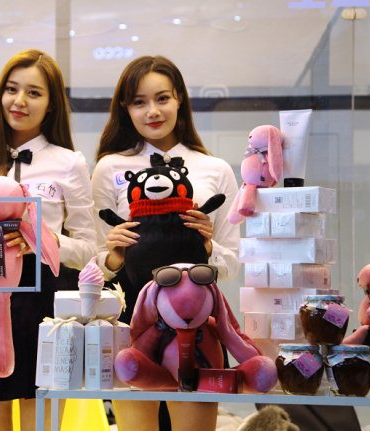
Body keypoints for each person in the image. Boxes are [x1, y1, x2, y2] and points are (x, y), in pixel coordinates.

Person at [0, 49, 96, 431]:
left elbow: (89, 249)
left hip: (45, 312)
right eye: (12, 89)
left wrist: (42, 241)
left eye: (34, 92)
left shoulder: (69, 162)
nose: (19, 101)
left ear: (51, 104)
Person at [91, 55, 240, 431]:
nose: (152, 111)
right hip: (130, 319)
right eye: (139, 102)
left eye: (162, 98)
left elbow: (235, 261)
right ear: (125, 108)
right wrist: (112, 256)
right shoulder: (109, 168)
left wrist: (208, 247)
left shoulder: (215, 169)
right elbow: (93, 262)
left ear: (180, 100)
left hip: (197, 318)